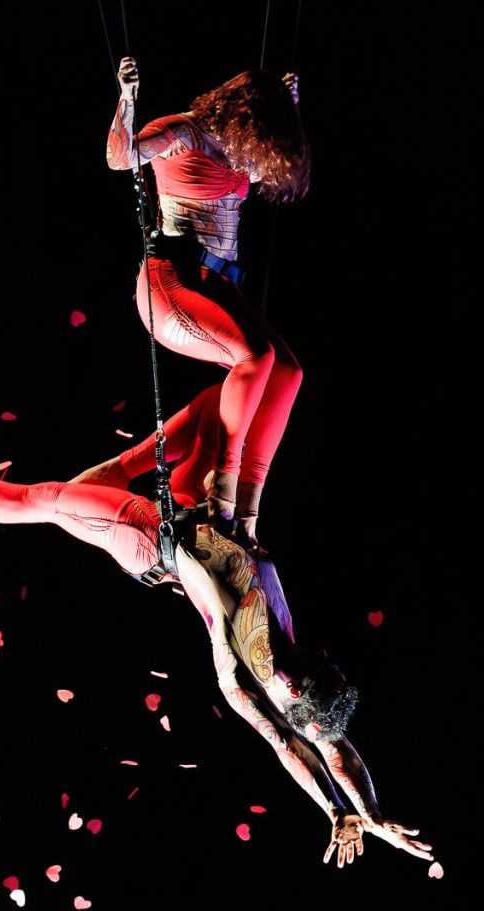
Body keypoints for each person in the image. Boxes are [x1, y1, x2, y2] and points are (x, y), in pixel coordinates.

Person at [0, 435, 435, 869]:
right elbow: (333, 749)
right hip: (193, 516)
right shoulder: (297, 679)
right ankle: (94, 485)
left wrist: (335, 811)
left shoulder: (240, 672)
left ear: (292, 689)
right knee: (208, 418)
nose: (316, 652)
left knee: (39, 499)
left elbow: (284, 742)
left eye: (314, 665)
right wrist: (364, 813)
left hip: (150, 537)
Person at [106, 57, 311, 548]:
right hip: (170, 283)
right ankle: (221, 488)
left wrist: (291, 109)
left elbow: (262, 170)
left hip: (217, 287)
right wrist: (127, 101)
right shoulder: (182, 132)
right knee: (254, 356)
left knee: (287, 371)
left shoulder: (240, 151)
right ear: (243, 112)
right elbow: (121, 157)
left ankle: (248, 512)